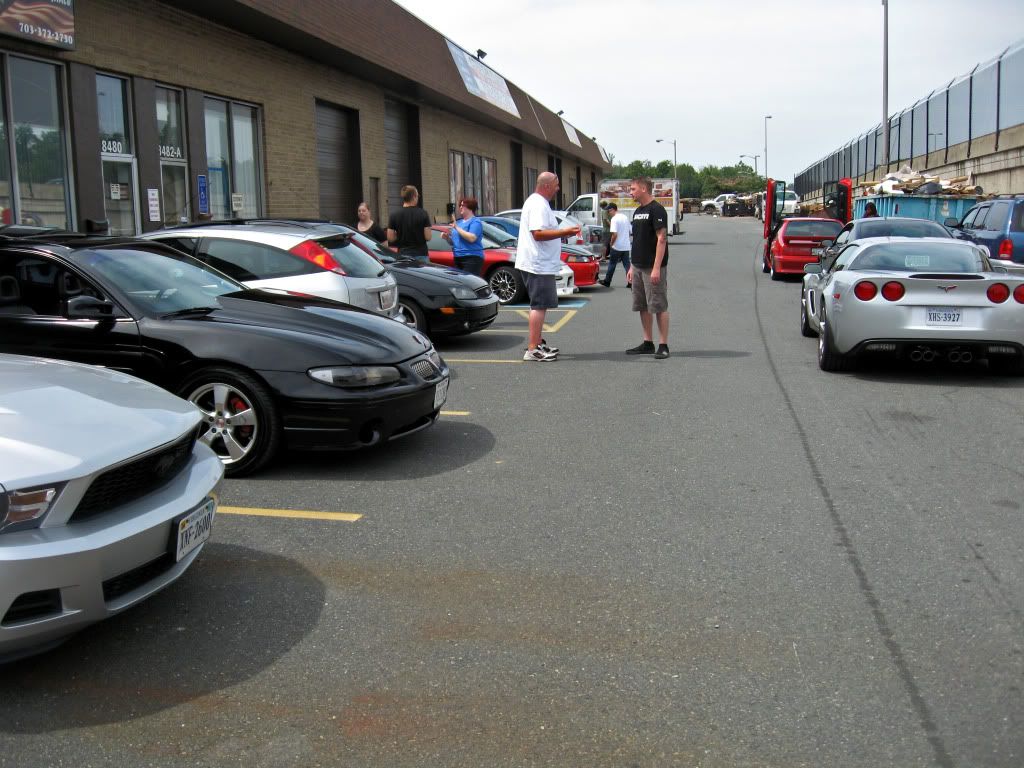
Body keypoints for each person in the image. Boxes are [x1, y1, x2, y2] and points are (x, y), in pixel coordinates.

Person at [515, 172, 580, 361]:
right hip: (538, 263)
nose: (558, 188)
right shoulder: (537, 204)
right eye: (556, 185)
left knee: (540, 305)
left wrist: (562, 233)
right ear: (546, 186)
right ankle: (533, 349)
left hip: (539, 262)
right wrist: (564, 231)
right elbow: (538, 233)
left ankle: (538, 342)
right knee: (539, 305)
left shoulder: (538, 203)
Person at [625, 176, 670, 359]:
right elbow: (636, 240)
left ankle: (663, 345)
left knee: (658, 305)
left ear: (643, 188)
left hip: (653, 267)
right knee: (642, 306)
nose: (631, 192)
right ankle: (647, 342)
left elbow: (662, 239)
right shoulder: (637, 211)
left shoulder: (657, 210)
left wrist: (657, 268)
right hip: (637, 266)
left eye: (633, 189)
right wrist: (631, 266)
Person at [387, 185, 433, 261]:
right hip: (421, 254)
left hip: (403, 255)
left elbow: (390, 238)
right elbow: (428, 237)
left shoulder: (394, 215)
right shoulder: (423, 213)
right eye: (418, 196)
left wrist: (400, 234)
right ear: (414, 196)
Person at [445, 196, 484, 276]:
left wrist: (456, 227)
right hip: (458, 257)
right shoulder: (459, 223)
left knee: (469, 283)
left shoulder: (475, 222)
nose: (460, 207)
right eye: (460, 205)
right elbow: (454, 242)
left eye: (463, 205)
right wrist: (447, 238)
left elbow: (471, 238)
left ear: (470, 207)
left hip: (471, 258)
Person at [599, 203, 631, 287]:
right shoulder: (625, 217)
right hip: (626, 245)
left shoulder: (614, 219)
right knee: (627, 265)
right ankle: (630, 282)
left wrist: (611, 243)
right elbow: (629, 230)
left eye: (609, 211)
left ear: (613, 209)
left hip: (617, 246)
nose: (609, 213)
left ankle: (607, 281)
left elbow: (614, 234)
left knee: (612, 264)